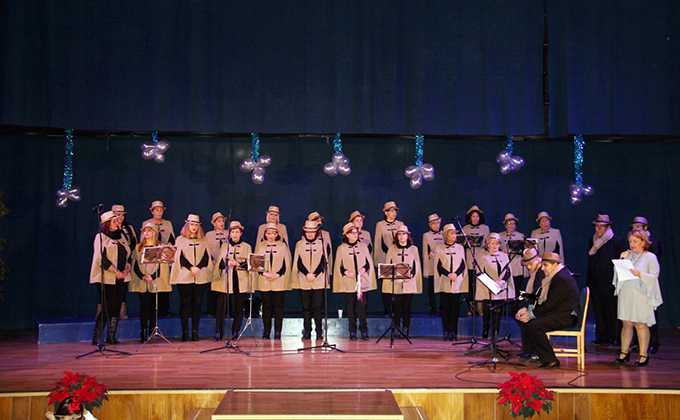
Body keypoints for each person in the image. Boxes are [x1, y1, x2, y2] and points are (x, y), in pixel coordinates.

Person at [515, 252, 580, 369]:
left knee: (535, 325)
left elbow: (550, 304)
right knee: (526, 321)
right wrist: (528, 310)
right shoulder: (555, 276)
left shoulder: (561, 278)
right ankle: (533, 352)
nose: (543, 268)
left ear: (555, 265)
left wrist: (531, 314)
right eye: (543, 265)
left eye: (546, 265)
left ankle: (551, 360)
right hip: (558, 312)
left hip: (566, 316)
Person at [614, 230, 662, 367]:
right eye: (630, 241)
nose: (632, 244)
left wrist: (640, 274)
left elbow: (654, 276)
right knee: (626, 323)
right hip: (627, 293)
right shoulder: (628, 255)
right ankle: (624, 352)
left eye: (635, 241)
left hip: (641, 295)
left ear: (643, 242)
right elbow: (617, 275)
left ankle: (643, 355)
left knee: (640, 324)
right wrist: (621, 260)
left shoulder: (650, 257)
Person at [89, 211, 132, 345]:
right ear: (107, 224)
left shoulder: (121, 237)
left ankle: (111, 336)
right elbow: (101, 259)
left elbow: (128, 255)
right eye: (114, 221)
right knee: (108, 305)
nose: (117, 223)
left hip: (122, 277)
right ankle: (98, 336)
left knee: (117, 306)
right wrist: (116, 271)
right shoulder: (101, 237)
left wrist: (127, 269)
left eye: (117, 221)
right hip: (107, 277)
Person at [169, 214, 212, 342]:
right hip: (185, 276)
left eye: (196, 225)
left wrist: (198, 267)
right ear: (187, 225)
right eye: (192, 225)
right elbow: (179, 257)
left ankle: (195, 331)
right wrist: (190, 267)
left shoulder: (203, 239)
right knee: (185, 303)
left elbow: (206, 256)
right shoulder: (180, 239)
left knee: (197, 304)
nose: (194, 227)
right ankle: (185, 332)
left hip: (200, 275)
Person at [586, 214, 627, 346]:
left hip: (610, 282)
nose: (598, 229)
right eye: (597, 226)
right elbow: (591, 262)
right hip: (596, 282)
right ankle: (602, 336)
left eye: (601, 226)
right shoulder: (592, 242)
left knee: (612, 310)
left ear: (608, 227)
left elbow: (621, 262)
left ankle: (615, 337)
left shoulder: (616, 241)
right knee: (599, 309)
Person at [333, 222, 376, 340]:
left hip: (361, 282)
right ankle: (352, 330)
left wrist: (364, 269)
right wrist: (345, 272)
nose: (355, 235)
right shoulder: (341, 248)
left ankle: (364, 330)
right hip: (349, 281)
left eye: (356, 233)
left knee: (362, 307)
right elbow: (338, 265)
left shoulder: (363, 246)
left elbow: (368, 262)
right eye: (352, 233)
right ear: (346, 235)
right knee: (350, 307)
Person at [130, 223, 171, 342]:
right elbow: (135, 265)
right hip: (143, 280)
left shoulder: (160, 246)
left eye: (149, 230)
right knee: (144, 306)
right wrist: (143, 276)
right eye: (144, 231)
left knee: (154, 307)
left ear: (154, 232)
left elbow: (163, 265)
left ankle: (153, 330)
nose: (146, 233)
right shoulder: (138, 247)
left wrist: (153, 276)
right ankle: (143, 332)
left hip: (155, 280)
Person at [212, 221, 252, 341]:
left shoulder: (247, 246)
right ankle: (219, 332)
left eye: (237, 232)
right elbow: (219, 264)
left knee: (239, 306)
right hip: (226, 279)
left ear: (241, 233)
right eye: (232, 232)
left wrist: (238, 264)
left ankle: (235, 331)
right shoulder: (225, 246)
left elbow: (251, 264)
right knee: (221, 307)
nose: (234, 235)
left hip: (240, 280)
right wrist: (227, 263)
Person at [629, 216, 663, 353]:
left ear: (645, 228)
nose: (635, 229)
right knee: (636, 318)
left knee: (650, 317)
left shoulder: (654, 243)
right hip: (635, 285)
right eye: (634, 227)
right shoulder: (632, 245)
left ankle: (653, 343)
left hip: (647, 284)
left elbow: (653, 266)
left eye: (638, 227)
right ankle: (638, 343)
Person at [255, 223, 292, 340]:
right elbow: (256, 263)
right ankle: (266, 331)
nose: (271, 236)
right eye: (268, 233)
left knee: (278, 306)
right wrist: (265, 273)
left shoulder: (282, 246)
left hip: (278, 279)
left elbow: (286, 263)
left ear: (277, 234)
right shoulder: (260, 246)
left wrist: (277, 274)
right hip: (264, 279)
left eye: (273, 233)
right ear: (265, 234)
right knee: (266, 306)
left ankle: (278, 331)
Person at [384, 225, 422, 338]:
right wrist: (396, 277)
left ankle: (406, 328)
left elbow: (416, 265)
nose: (402, 237)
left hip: (408, 282)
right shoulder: (392, 248)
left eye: (404, 234)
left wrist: (411, 275)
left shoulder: (413, 249)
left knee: (406, 307)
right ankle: (396, 328)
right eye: (400, 234)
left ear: (408, 235)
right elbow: (388, 265)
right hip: (396, 282)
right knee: (396, 307)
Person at [292, 220, 328, 340]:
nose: (310, 234)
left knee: (317, 307)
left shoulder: (322, 243)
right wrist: (307, 273)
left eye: (312, 232)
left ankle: (319, 331)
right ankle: (307, 331)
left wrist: (315, 274)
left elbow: (324, 261)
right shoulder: (299, 244)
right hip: (304, 279)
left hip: (318, 279)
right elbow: (298, 261)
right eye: (308, 232)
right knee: (306, 307)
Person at [477, 232, 515, 339]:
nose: (495, 246)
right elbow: (480, 272)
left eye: (497, 244)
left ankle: (495, 335)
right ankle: (486, 328)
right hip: (488, 289)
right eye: (492, 243)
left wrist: (502, 281)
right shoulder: (482, 256)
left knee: (497, 314)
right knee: (487, 313)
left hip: (500, 288)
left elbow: (508, 271)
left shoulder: (504, 256)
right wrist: (491, 282)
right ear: (488, 244)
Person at [434, 224, 468, 341]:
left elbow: (463, 264)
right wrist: (448, 274)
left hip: (456, 282)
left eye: (454, 234)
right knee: (445, 308)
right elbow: (438, 265)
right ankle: (446, 331)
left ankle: (454, 331)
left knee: (455, 308)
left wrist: (456, 274)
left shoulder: (460, 248)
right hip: (444, 281)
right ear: (445, 235)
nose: (453, 236)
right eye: (451, 234)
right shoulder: (439, 248)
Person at [142, 200, 175, 318]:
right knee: (153, 280)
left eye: (161, 210)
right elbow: (143, 241)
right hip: (152, 254)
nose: (159, 212)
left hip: (164, 254)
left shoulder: (167, 224)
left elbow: (172, 238)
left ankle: (164, 309)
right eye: (156, 210)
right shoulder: (146, 223)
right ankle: (152, 311)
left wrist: (169, 246)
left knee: (164, 282)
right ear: (152, 211)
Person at [374, 201, 404, 316]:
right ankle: (387, 308)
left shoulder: (400, 224)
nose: (393, 213)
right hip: (384, 258)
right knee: (386, 285)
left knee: (398, 283)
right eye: (391, 211)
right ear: (386, 212)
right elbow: (378, 242)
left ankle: (398, 308)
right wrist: (378, 260)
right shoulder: (380, 225)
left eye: (395, 211)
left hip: (399, 258)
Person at [515, 247, 543, 362]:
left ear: (537, 260)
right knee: (521, 317)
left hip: (543, 306)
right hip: (536, 303)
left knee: (528, 319)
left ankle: (536, 351)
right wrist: (525, 307)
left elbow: (539, 294)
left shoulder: (541, 272)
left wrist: (527, 308)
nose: (529, 268)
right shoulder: (535, 273)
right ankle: (528, 350)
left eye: (530, 265)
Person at [462, 205, 490, 312]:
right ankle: (471, 306)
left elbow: (487, 242)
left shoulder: (485, 228)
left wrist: (485, 244)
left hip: (480, 258)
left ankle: (481, 306)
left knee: (481, 281)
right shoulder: (465, 229)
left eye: (477, 216)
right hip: (469, 259)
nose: (475, 218)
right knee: (470, 283)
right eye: (473, 216)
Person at [112, 204, 136, 320]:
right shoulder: (108, 230)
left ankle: (121, 311)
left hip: (126, 261)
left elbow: (133, 244)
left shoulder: (128, 228)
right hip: (113, 263)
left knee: (122, 289)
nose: (120, 217)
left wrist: (129, 261)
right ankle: (108, 312)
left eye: (122, 215)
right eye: (117, 215)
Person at [205, 212, 229, 317]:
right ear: (214, 223)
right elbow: (206, 249)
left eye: (222, 221)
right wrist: (212, 260)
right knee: (213, 288)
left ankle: (226, 310)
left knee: (226, 287)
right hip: (213, 264)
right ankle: (212, 310)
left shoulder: (228, 233)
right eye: (219, 221)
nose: (221, 223)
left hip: (225, 264)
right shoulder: (209, 235)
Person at [422, 213, 444, 316]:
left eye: (438, 223)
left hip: (444, 265)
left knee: (442, 286)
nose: (436, 225)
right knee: (431, 287)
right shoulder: (427, 235)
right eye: (433, 224)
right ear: (430, 225)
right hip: (432, 264)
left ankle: (442, 306)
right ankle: (433, 306)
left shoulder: (444, 234)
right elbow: (426, 251)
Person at [499, 213, 525, 296]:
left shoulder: (521, 236)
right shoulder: (500, 236)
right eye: (509, 223)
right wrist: (502, 251)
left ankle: (516, 308)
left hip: (517, 265)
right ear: (505, 225)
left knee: (517, 289)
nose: (511, 225)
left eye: (513, 223)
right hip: (505, 265)